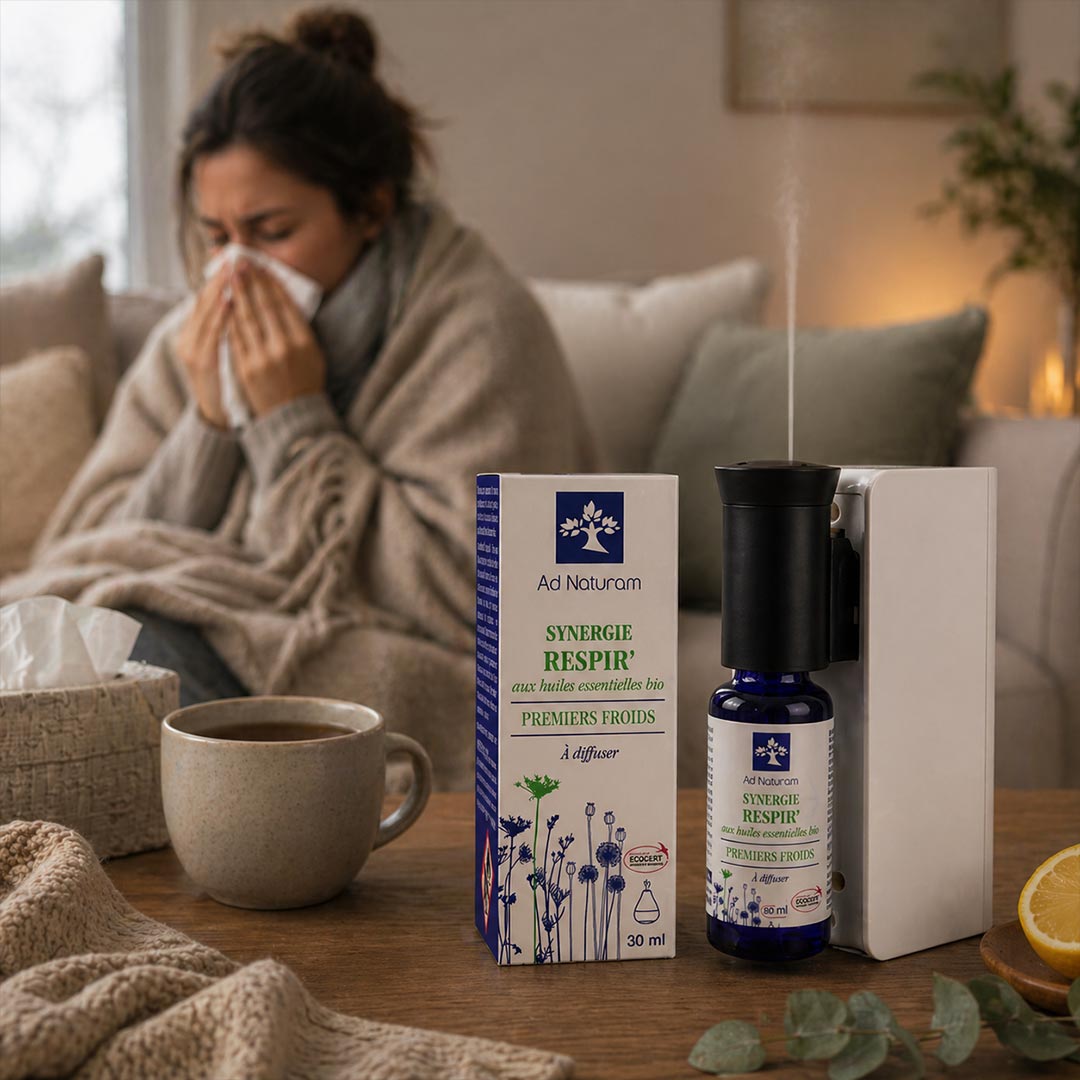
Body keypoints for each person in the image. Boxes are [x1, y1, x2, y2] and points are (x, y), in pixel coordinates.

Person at [1, 6, 595, 789]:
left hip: (359, 653)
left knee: (131, 671)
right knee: (72, 663)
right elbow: (90, 549)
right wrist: (211, 426)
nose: (238, 270)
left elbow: (478, 597)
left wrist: (291, 422)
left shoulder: (478, 326)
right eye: (218, 236)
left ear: (371, 207)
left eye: (272, 230)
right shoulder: (196, 335)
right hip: (216, 621)